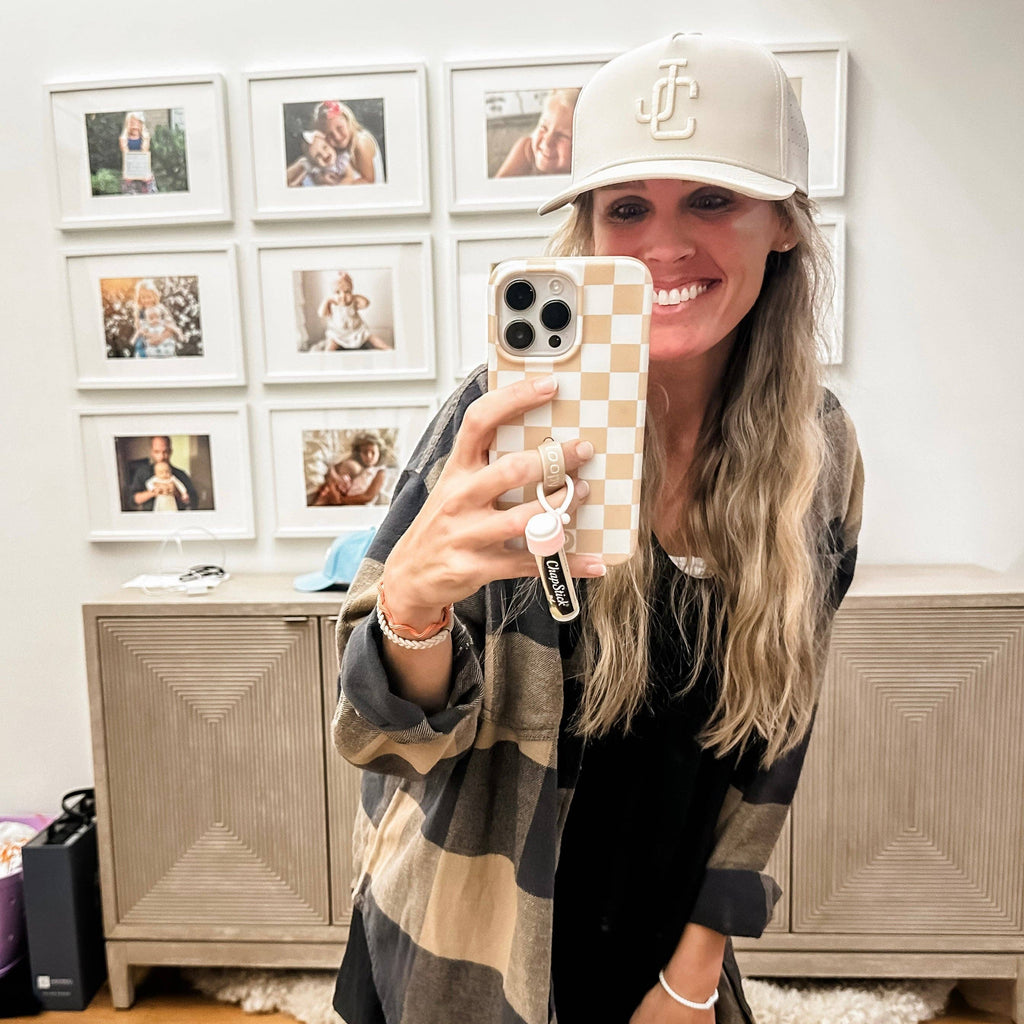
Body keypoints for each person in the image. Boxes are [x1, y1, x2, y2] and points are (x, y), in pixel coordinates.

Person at [330, 33, 864, 1024]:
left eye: (711, 198)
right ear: (588, 230)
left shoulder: (818, 452)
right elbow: (385, 741)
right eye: (627, 208)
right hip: (465, 946)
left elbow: (775, 738)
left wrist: (693, 974)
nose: (665, 244)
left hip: (664, 943)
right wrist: (410, 608)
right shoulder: (497, 419)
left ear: (786, 223)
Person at [494, 87, 580, 178]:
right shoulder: (526, 149)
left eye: (562, 136)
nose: (547, 142)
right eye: (544, 127)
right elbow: (498, 186)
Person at [316, 272, 391, 351]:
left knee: (370, 337)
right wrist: (327, 301)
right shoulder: (332, 304)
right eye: (338, 292)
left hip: (356, 331)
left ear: (352, 292)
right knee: (331, 344)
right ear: (332, 294)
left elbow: (366, 303)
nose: (343, 296)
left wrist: (354, 297)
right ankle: (327, 356)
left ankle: (388, 349)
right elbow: (321, 314)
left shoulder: (353, 303)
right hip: (338, 334)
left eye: (347, 292)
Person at [311, 433, 388, 507]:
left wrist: (340, 500)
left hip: (357, 505)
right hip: (341, 500)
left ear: (380, 453)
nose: (369, 456)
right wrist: (334, 491)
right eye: (365, 452)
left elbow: (368, 496)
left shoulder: (379, 472)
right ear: (359, 453)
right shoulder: (357, 467)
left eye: (373, 452)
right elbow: (337, 478)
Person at [127, 436, 198, 512]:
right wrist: (153, 492)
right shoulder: (142, 472)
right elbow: (132, 500)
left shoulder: (181, 474)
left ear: (170, 451)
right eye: (157, 452)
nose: (161, 456)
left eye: (165, 452)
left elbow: (193, 502)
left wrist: (177, 492)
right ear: (152, 452)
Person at [119, 111, 158, 194]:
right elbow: (127, 156)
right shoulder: (124, 139)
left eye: (137, 122)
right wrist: (130, 174)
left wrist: (144, 173)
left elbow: (144, 154)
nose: (135, 125)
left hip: (143, 170)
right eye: (132, 122)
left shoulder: (145, 138)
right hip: (130, 171)